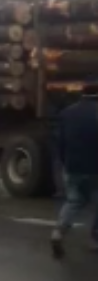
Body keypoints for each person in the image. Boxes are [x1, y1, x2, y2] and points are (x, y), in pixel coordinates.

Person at [51, 81, 98, 259]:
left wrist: (65, 163)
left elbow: (60, 142)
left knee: (74, 201)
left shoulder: (67, 113)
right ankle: (95, 238)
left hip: (72, 166)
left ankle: (58, 232)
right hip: (95, 167)